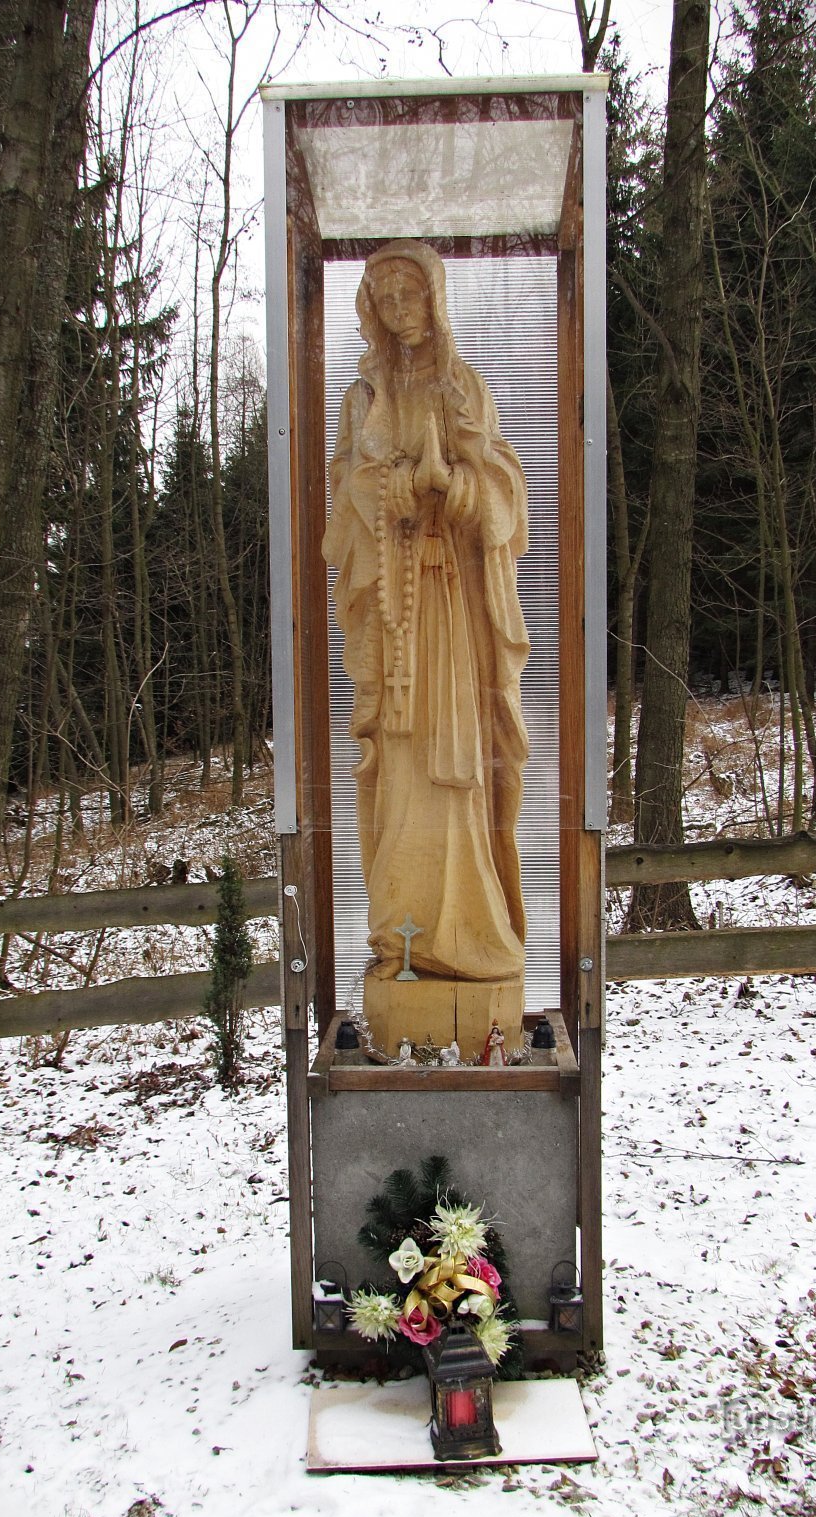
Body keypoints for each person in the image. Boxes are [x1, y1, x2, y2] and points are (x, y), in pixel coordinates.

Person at [324, 240, 529, 982]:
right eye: (385, 299)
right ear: (371, 312)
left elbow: (504, 486)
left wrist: (456, 489)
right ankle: (401, 934)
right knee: (400, 762)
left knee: (457, 762)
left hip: (449, 606)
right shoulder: (363, 399)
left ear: (434, 299)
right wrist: (395, 489)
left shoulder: (461, 389)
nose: (399, 310)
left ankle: (469, 924)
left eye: (411, 294)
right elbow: (349, 484)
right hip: (392, 612)